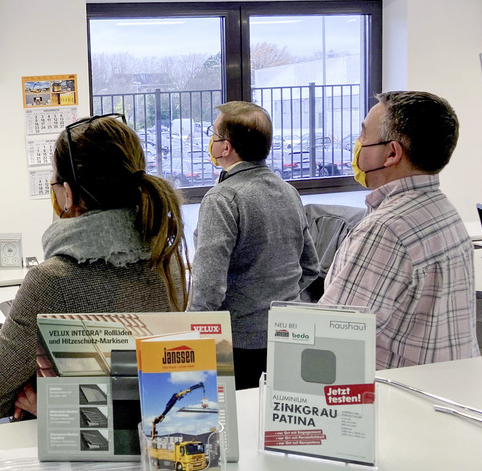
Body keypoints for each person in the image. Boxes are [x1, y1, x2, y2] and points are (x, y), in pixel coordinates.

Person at [0, 114, 191, 422]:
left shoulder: (51, 281)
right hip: (160, 438)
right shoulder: (169, 262)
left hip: (77, 446)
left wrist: (52, 402)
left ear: (68, 193)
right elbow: (160, 381)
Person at [319, 91, 479, 369]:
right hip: (448, 383)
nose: (357, 144)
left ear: (392, 153)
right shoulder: (443, 209)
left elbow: (330, 336)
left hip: (395, 389)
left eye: (363, 135)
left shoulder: (386, 229)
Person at [192, 102, 320, 389]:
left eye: (213, 134)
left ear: (226, 147)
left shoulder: (221, 199)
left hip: (239, 345)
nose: (211, 141)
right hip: (288, 337)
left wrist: (192, 336)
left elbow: (208, 288)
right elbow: (311, 267)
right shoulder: (289, 191)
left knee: (241, 415)